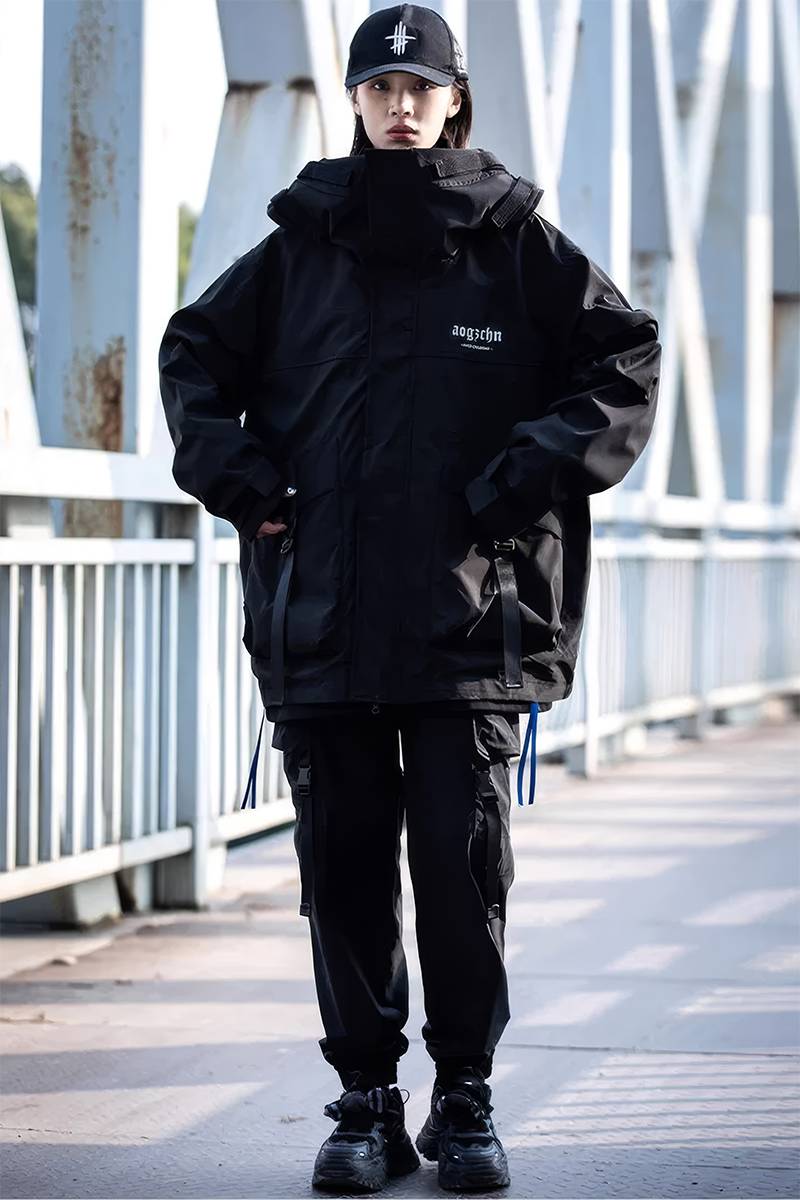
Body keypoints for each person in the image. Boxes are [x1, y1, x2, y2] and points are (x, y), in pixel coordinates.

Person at [158, 4, 661, 1191]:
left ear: (452, 100)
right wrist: (246, 483)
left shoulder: (514, 242)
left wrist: (514, 484)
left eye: (418, 88)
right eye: (379, 87)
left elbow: (625, 360)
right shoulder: (299, 244)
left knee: (459, 870)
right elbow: (190, 358)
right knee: (340, 873)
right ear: (354, 99)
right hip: (323, 619)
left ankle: (465, 1100)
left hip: (473, 621)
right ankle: (366, 1104)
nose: (398, 106)